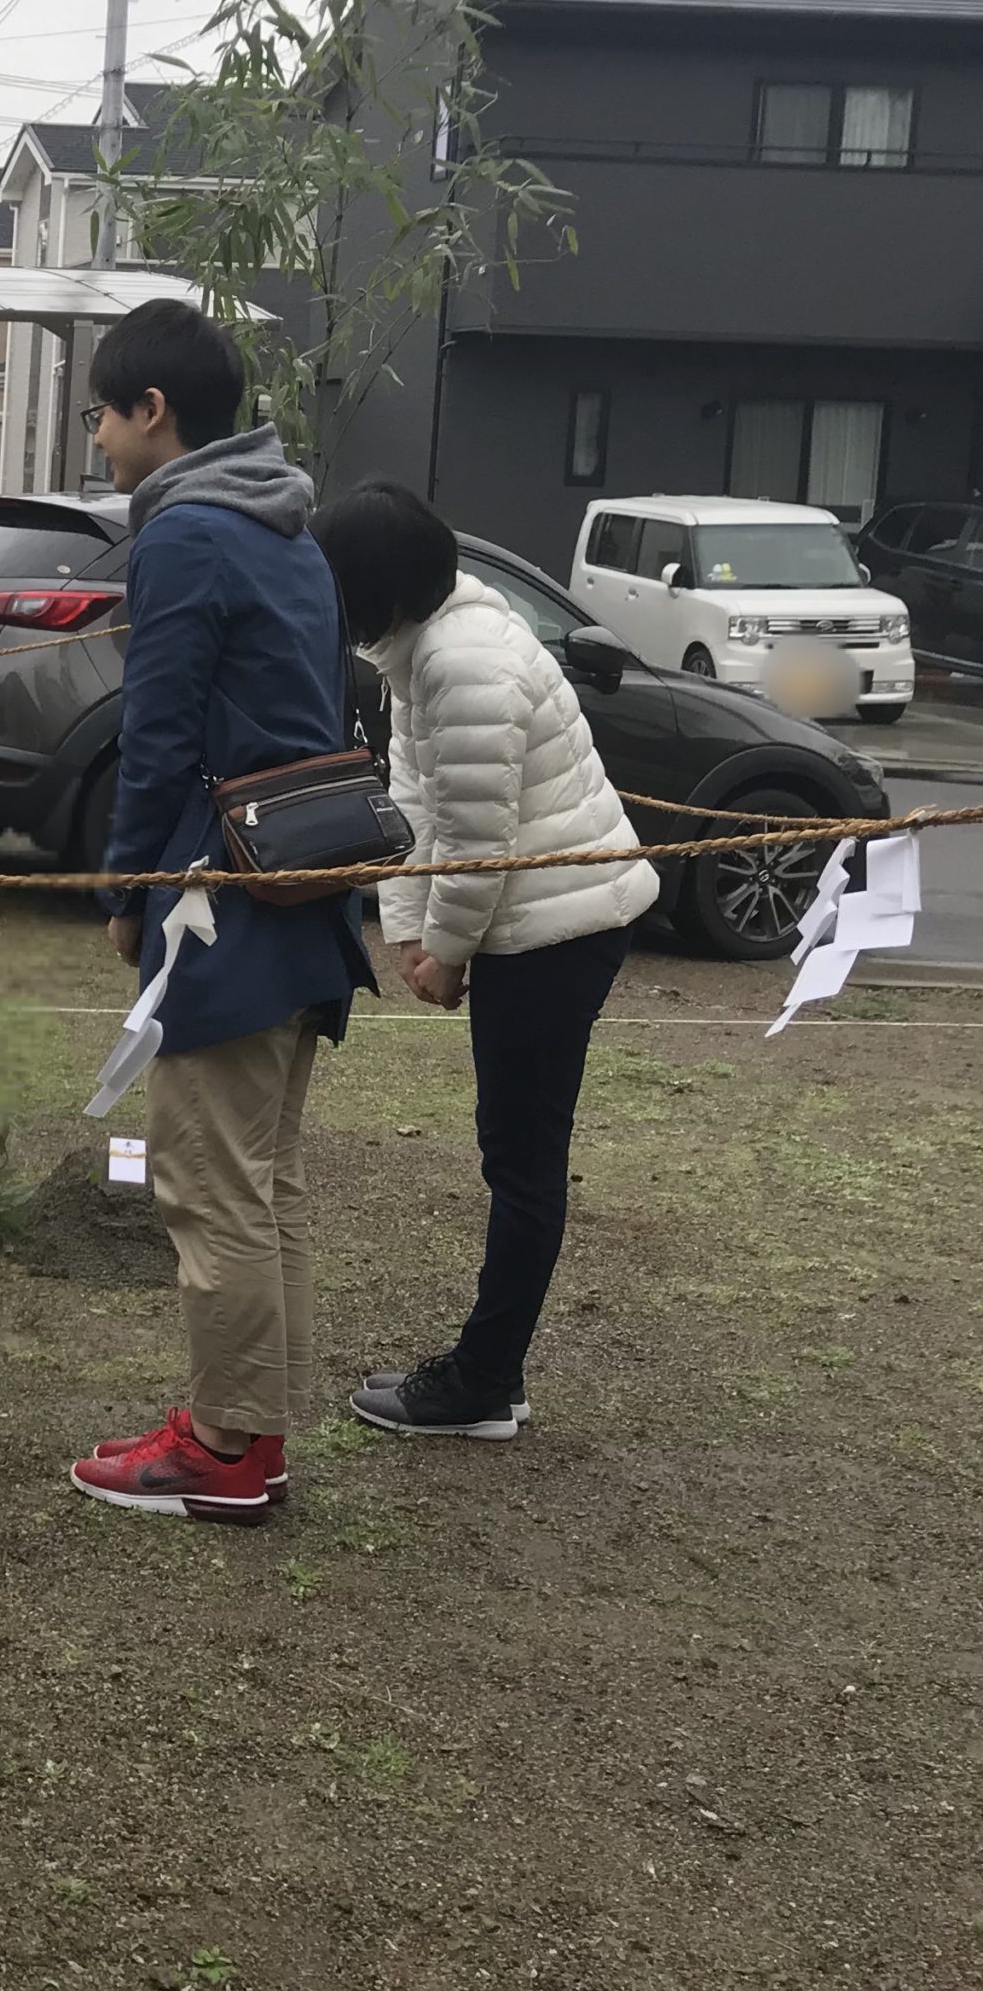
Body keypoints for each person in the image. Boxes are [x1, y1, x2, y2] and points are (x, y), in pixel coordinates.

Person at [68, 302, 372, 1526]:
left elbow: (159, 731)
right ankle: (247, 1429)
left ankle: (224, 1450)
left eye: (100, 411)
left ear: (154, 413)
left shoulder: (188, 531)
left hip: (220, 895)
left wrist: (126, 889)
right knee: (262, 1180)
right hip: (305, 879)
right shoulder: (288, 527)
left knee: (205, 1182)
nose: (95, 435)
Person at [312, 478, 657, 1441]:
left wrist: (447, 953)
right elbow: (415, 795)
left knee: (522, 1158)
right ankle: (486, 1374)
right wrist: (409, 929)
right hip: (534, 913)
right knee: (514, 1149)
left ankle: (485, 1383)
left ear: (374, 592)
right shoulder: (426, 645)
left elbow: (479, 842)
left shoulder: (466, 663)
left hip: (559, 928)